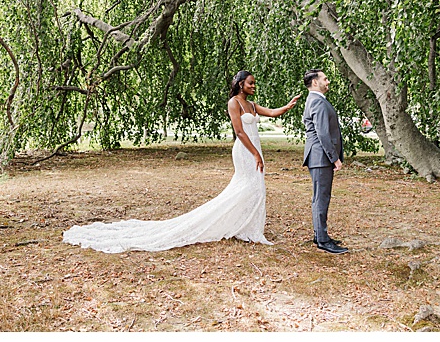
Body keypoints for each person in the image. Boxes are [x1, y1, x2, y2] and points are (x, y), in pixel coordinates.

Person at [62, 70, 303, 252]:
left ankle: (247, 227)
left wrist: (289, 105)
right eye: (250, 83)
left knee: (255, 188)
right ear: (241, 84)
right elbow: (239, 132)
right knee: (248, 187)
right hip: (245, 150)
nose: (253, 86)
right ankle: (241, 225)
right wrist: (256, 154)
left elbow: (272, 112)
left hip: (254, 149)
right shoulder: (234, 103)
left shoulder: (251, 104)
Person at [301, 70, 347, 254]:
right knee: (321, 198)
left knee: (320, 197)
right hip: (320, 157)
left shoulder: (316, 100)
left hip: (319, 157)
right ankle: (322, 240)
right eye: (325, 79)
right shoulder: (317, 101)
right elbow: (322, 133)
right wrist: (334, 158)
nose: (328, 82)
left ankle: (320, 234)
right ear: (314, 82)